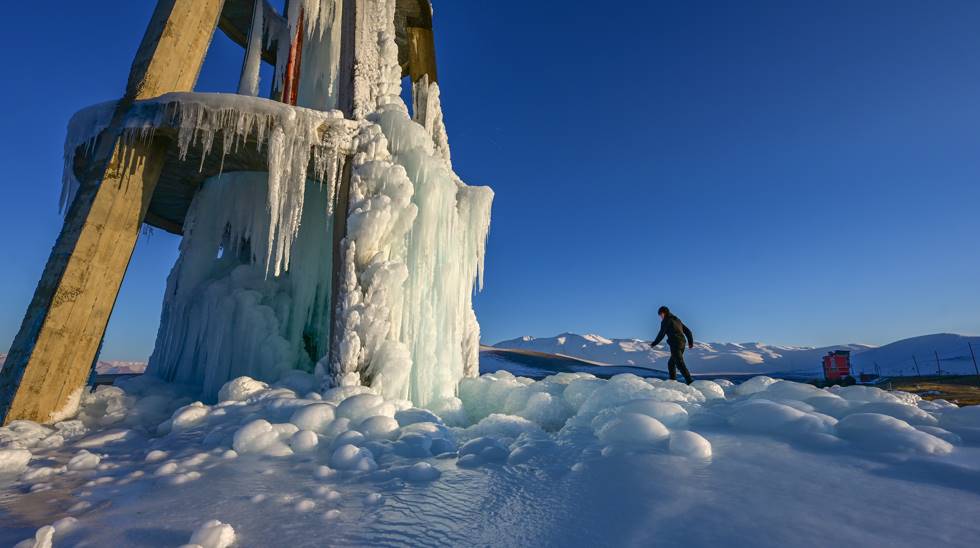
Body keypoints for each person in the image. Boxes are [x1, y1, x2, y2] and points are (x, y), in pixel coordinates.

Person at [650, 306, 694, 384]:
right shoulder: (677, 320)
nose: (660, 317)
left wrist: (654, 343)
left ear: (663, 313)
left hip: (675, 343)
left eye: (660, 315)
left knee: (679, 364)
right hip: (682, 343)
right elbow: (688, 331)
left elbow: (662, 333)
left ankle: (690, 382)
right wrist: (690, 342)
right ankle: (672, 382)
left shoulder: (666, 320)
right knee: (671, 363)